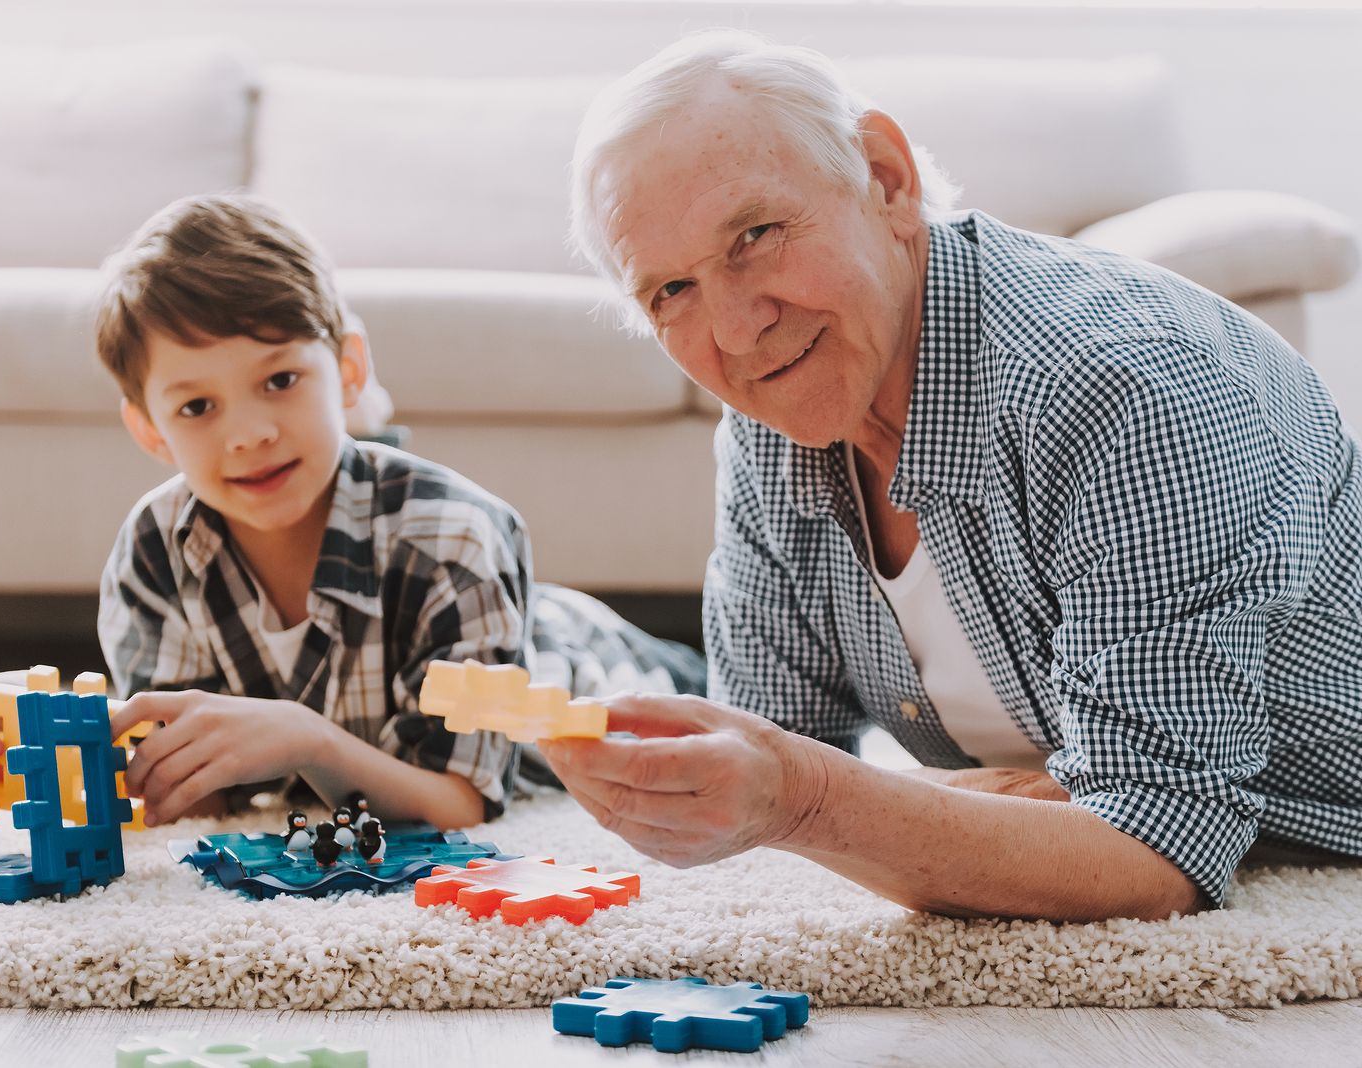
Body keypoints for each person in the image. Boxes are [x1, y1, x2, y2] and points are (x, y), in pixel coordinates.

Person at [538, 28, 1362, 922]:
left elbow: (1155, 856)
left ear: (886, 181)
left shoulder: (1123, 386)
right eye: (670, 292)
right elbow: (773, 737)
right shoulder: (771, 426)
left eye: (757, 235)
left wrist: (814, 798)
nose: (736, 332)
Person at [0, 192, 703, 830]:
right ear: (150, 429)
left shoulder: (453, 536)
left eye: (279, 380)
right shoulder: (156, 549)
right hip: (443, 655)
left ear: (347, 369)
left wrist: (309, 740)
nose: (248, 433)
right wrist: (36, 742)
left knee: (702, 721)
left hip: (581, 661)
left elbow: (463, 801)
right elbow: (185, 785)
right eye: (198, 406)